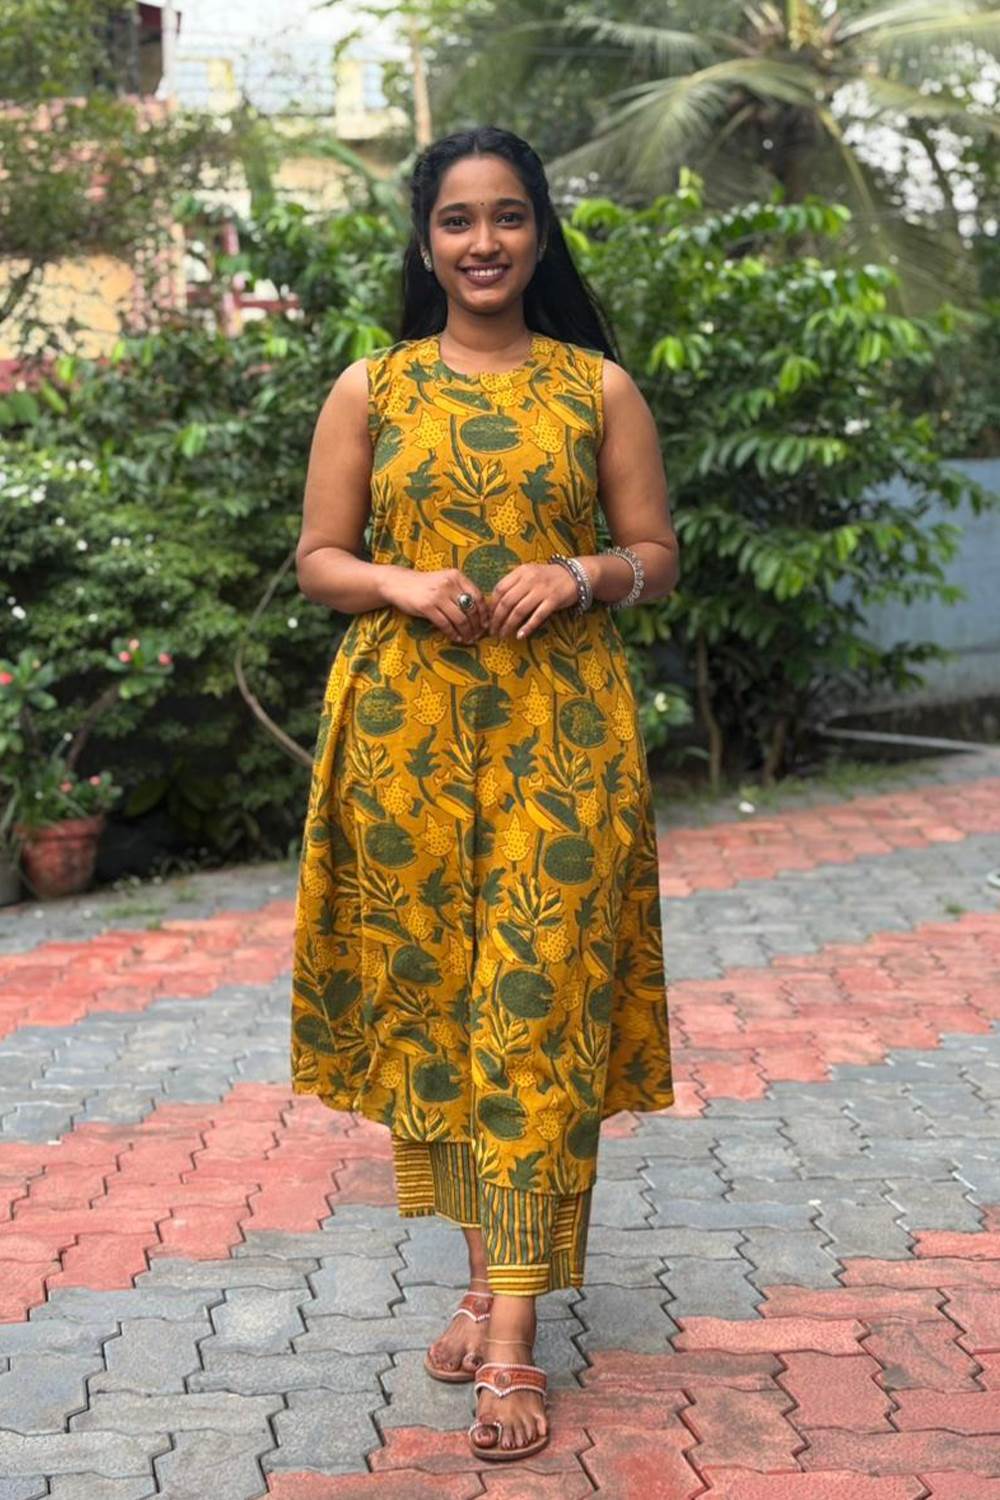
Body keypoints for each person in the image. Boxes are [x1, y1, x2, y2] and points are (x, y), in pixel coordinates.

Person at [290, 124, 678, 1463]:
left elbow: (656, 553)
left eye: (509, 216)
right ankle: (482, 1278)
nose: (484, 242)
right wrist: (398, 580)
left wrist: (580, 575)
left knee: (538, 1003)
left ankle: (513, 1337)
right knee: (444, 1011)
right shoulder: (372, 389)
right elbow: (321, 559)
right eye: (458, 220)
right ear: (425, 241)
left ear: (541, 232)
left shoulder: (596, 388)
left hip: (562, 741)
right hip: (404, 738)